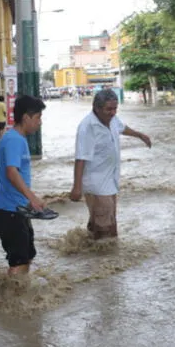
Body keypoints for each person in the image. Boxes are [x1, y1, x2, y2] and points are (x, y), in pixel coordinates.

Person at [70, 89, 151, 240]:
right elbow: (80, 158)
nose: (113, 112)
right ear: (97, 108)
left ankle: (89, 255)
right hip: (97, 185)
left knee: (104, 225)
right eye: (109, 109)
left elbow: (122, 127)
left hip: (110, 182)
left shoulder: (112, 119)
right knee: (106, 231)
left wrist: (140, 135)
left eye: (115, 108)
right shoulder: (87, 127)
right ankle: (103, 260)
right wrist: (76, 187)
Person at [0, 95, 47, 275]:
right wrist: (33, 198)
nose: (40, 122)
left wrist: (28, 201)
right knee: (19, 263)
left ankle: (18, 298)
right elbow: (12, 173)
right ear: (26, 118)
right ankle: (9, 300)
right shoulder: (14, 140)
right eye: (38, 117)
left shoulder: (17, 138)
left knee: (27, 257)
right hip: (8, 212)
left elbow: (16, 176)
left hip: (17, 209)